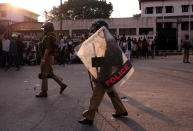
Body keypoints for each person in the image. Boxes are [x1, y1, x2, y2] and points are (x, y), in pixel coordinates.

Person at [78, 20, 128, 126]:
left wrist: (95, 63)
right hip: (105, 70)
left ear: (100, 28)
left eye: (96, 28)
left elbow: (110, 57)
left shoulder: (106, 39)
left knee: (96, 95)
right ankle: (121, 110)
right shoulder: (104, 38)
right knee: (110, 91)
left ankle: (89, 117)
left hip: (104, 72)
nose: (94, 30)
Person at [36, 22, 67, 97]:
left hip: (47, 57)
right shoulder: (52, 36)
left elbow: (47, 49)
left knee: (44, 74)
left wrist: (43, 59)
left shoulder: (49, 37)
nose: (44, 29)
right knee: (51, 74)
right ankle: (62, 85)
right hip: (50, 57)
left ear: (48, 28)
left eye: (45, 28)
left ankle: (44, 91)